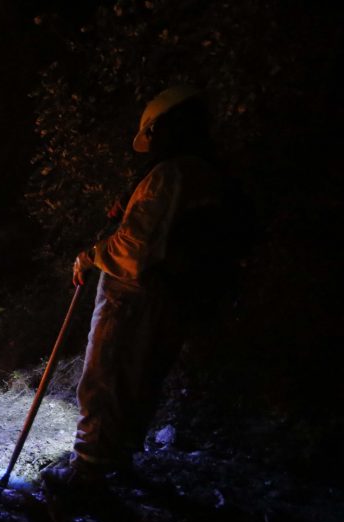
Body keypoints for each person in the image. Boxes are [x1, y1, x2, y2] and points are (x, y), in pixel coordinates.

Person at [46, 85, 232, 489]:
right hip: (170, 303)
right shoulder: (205, 174)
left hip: (131, 300)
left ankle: (88, 472)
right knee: (139, 383)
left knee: (106, 377)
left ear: (163, 129)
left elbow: (135, 248)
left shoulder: (169, 175)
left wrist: (93, 253)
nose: (146, 147)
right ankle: (118, 461)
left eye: (150, 136)